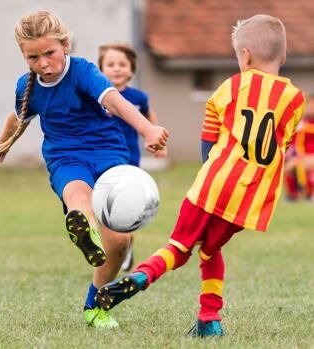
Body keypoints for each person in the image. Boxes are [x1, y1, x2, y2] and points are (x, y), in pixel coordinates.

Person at [95, 14, 305, 337]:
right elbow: (284, 144)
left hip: (213, 185)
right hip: (249, 199)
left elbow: (209, 137)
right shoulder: (295, 99)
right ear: (284, 56)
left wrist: (210, 169)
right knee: (209, 250)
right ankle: (210, 319)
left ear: (245, 55)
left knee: (179, 247)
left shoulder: (231, 86)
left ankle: (140, 276)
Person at [0, 11, 169, 329]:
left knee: (121, 242)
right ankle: (83, 228)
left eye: (49, 54)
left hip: (108, 155)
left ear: (64, 46)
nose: (44, 63)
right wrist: (3, 143)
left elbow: (115, 101)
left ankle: (96, 304)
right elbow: (18, 117)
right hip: (65, 157)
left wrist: (147, 129)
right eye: (33, 57)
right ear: (23, 55)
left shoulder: (83, 71)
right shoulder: (26, 86)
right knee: (77, 193)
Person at [98, 43, 168, 272]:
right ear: (101, 69)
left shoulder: (138, 97)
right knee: (102, 206)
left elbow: (149, 115)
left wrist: (156, 139)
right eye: (110, 64)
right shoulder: (97, 96)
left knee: (125, 208)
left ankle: (125, 245)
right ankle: (109, 245)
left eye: (122, 64)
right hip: (101, 159)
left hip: (129, 162)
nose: (116, 69)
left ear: (131, 70)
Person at [283, 94, 314, 201]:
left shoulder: (306, 125)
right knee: (287, 166)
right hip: (302, 157)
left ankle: (306, 193)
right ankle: (294, 194)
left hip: (311, 157)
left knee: (297, 164)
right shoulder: (301, 123)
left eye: (312, 105)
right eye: (309, 104)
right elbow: (291, 143)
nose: (309, 107)